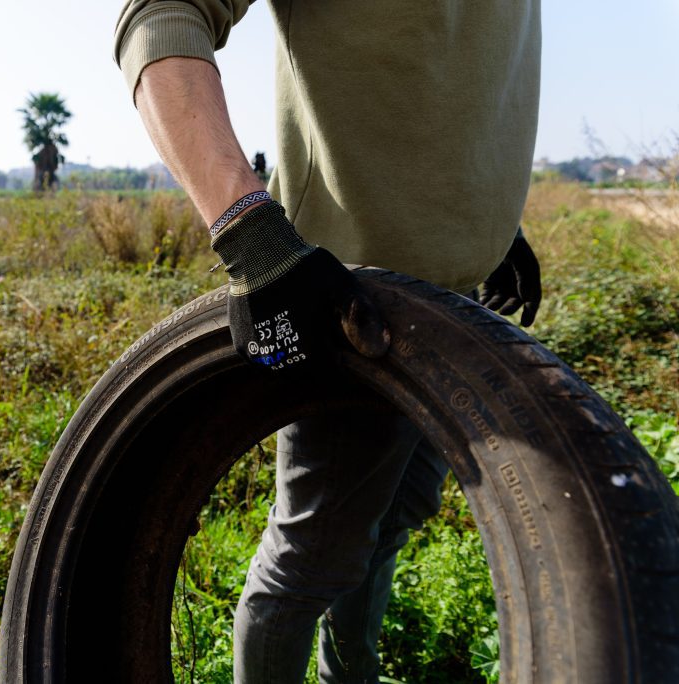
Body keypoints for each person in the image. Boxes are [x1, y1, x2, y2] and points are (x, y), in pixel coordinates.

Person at [114, 2, 543, 682]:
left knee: (393, 515)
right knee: (312, 560)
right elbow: (161, 18)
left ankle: (351, 674)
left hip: (455, 302)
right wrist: (254, 241)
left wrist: (487, 225)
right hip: (349, 308)